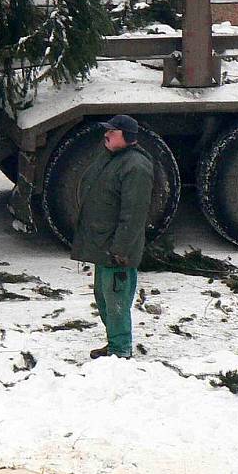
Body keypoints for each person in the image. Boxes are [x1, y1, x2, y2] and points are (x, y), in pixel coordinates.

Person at [70, 115, 154, 359]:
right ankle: (115, 343)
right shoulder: (112, 157)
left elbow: (134, 214)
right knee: (104, 299)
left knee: (116, 301)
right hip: (103, 247)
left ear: (127, 137)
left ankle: (120, 349)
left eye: (112, 132)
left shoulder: (136, 167)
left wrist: (121, 250)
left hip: (117, 252)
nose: (105, 135)